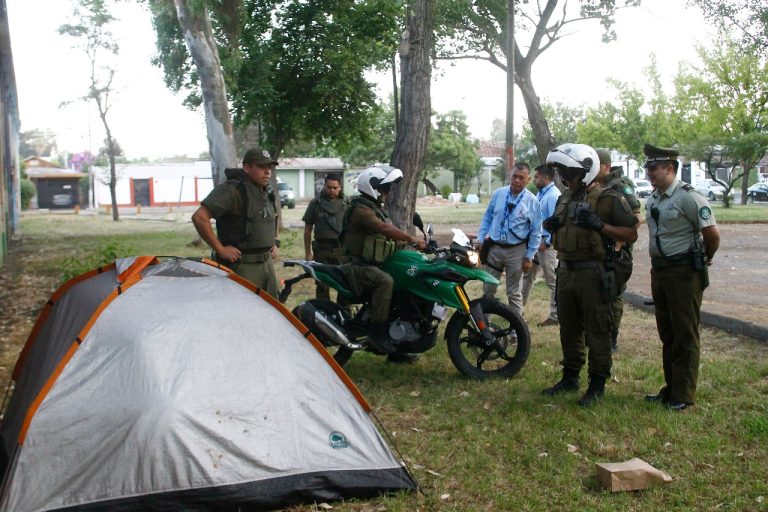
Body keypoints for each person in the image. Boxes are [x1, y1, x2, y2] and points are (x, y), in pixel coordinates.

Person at [541, 143, 638, 406]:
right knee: (569, 328)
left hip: (593, 272)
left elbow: (631, 232)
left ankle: (597, 384)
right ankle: (570, 376)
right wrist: (552, 226)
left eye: (568, 172)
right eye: (561, 172)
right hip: (567, 271)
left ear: (585, 170)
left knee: (597, 330)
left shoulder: (609, 198)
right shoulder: (566, 197)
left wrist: (601, 225)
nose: (564, 178)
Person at [642, 143, 720, 411]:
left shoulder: (689, 197)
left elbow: (712, 235)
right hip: (661, 271)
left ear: (670, 168)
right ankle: (672, 387)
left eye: (654, 168)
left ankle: (684, 394)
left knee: (685, 333)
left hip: (684, 273)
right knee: (668, 332)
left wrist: (705, 257)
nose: (649, 173)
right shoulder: (654, 198)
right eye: (647, 168)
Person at [340, 165, 426, 355]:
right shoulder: (360, 210)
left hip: (374, 264)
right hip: (356, 266)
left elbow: (388, 237)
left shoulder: (378, 209)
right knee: (385, 281)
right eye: (385, 188)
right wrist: (411, 239)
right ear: (374, 188)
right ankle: (377, 334)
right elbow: (385, 229)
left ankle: (403, 345)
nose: (387, 192)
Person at [192, 148, 280, 298]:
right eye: (261, 167)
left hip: (266, 264)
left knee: (272, 312)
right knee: (243, 313)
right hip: (243, 266)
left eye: (269, 167)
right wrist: (220, 249)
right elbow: (199, 217)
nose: (267, 172)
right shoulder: (232, 191)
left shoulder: (265, 191)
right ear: (247, 167)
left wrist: (273, 241)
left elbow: (271, 218)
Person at [477, 162, 542, 317]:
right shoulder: (499, 194)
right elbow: (487, 217)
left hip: (516, 251)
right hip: (495, 249)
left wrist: (529, 256)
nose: (517, 181)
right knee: (488, 290)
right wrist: (480, 238)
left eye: (521, 178)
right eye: (514, 176)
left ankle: (516, 331)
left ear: (528, 179)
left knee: (514, 292)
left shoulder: (532, 201)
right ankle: (484, 326)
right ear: (510, 176)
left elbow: (536, 231)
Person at [595, 149, 643, 352]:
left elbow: (637, 217)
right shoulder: (595, 187)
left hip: (617, 251)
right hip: (599, 249)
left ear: (606, 166)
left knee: (614, 293)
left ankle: (612, 337)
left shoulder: (620, 187)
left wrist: (619, 244)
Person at [521, 164, 560, 327]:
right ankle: (517, 309)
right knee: (527, 276)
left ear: (546, 177)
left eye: (536, 177)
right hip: (536, 243)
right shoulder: (542, 193)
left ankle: (556, 315)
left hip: (545, 245)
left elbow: (555, 222)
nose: (534, 180)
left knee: (553, 280)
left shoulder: (553, 196)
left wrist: (548, 242)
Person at [302, 174, 348, 300]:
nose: (332, 190)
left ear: (340, 187)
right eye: (329, 187)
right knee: (322, 284)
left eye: (335, 187)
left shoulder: (347, 204)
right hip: (321, 250)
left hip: (341, 250)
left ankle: (343, 313)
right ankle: (323, 311)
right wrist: (308, 253)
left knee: (344, 284)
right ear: (324, 186)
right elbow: (307, 230)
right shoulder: (315, 203)